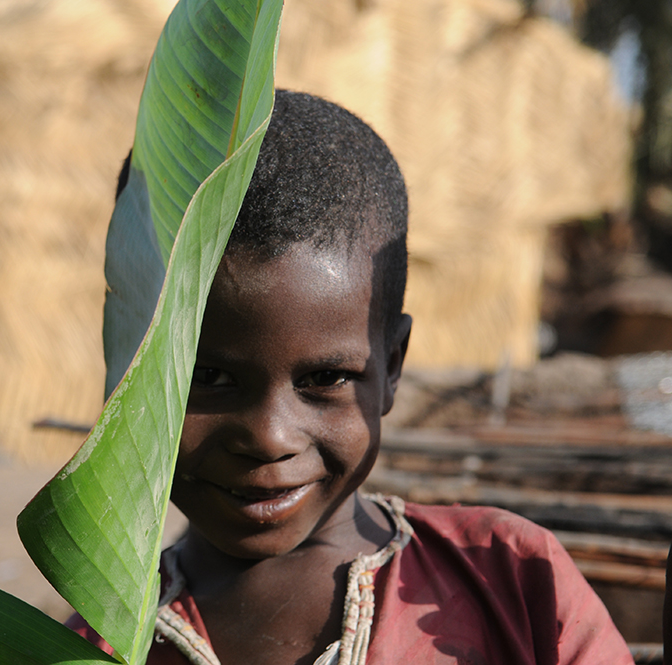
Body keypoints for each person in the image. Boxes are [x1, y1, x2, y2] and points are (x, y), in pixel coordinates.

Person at [69, 90, 633, 665]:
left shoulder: (512, 579)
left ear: (392, 365)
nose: (269, 437)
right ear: (132, 368)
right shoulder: (92, 647)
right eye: (208, 376)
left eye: (325, 378)